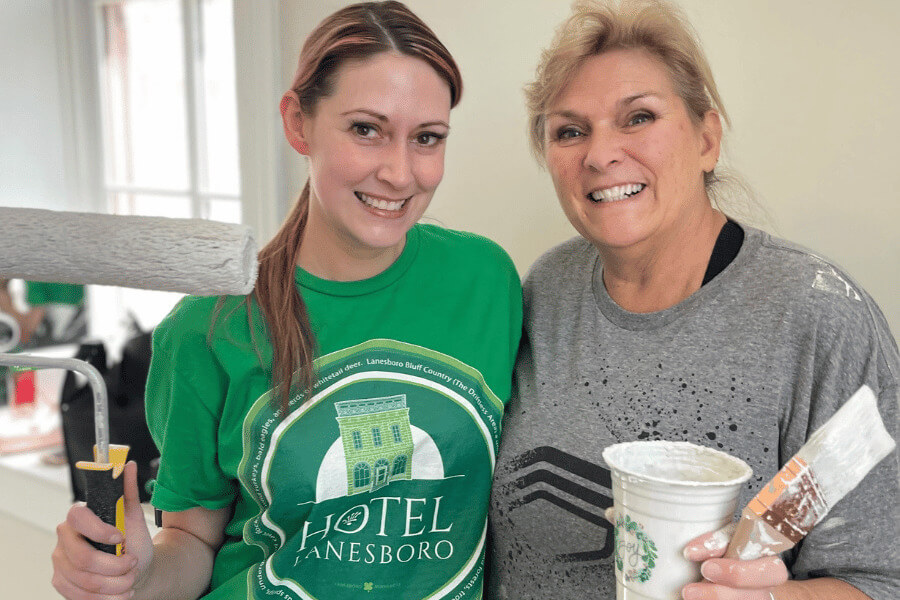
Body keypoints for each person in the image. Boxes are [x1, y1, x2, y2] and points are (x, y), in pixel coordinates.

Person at [51, 2, 521, 599]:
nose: (400, 173)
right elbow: (192, 542)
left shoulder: (486, 282)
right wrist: (136, 575)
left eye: (427, 138)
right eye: (366, 129)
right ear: (299, 122)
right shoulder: (207, 328)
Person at [487, 1, 898, 599]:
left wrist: (771, 598)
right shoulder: (546, 292)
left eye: (638, 117)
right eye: (570, 131)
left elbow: (881, 580)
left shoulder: (816, 317)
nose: (601, 155)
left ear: (707, 139)